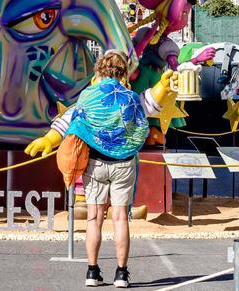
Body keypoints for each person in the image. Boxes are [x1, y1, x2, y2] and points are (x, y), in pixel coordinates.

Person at [25, 50, 177, 288]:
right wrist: (163, 87)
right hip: (124, 165)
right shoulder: (128, 97)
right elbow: (148, 103)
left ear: (97, 74)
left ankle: (92, 272)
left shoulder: (88, 97)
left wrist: (48, 139)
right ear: (124, 75)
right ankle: (121, 274)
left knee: (94, 220)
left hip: (94, 165)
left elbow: (67, 123)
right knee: (119, 220)